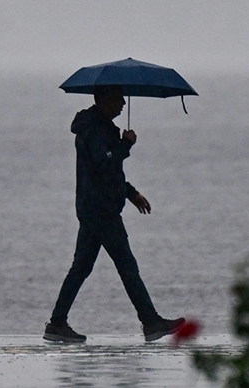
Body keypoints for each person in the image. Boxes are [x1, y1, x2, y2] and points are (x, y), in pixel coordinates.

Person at [43, 85, 185, 342]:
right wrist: (126, 145)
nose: (122, 103)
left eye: (122, 98)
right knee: (127, 266)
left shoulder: (100, 127)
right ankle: (151, 322)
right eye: (117, 98)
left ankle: (57, 323)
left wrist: (131, 193)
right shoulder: (95, 129)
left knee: (81, 267)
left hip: (93, 208)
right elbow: (104, 163)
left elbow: (109, 172)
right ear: (103, 99)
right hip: (100, 211)